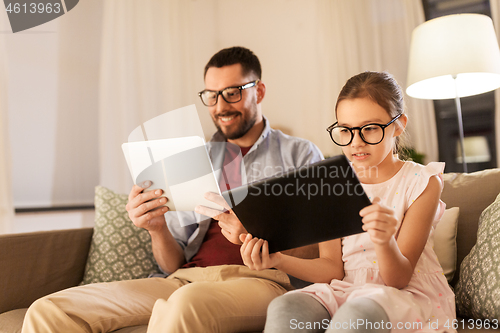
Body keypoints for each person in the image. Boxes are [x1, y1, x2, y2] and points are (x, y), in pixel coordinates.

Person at [21, 46, 323, 333]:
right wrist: (156, 228)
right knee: (50, 309)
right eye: (211, 96)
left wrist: (253, 232)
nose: (220, 107)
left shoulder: (299, 155)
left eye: (232, 93)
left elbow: (320, 248)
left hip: (260, 280)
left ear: (259, 91)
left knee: (185, 305)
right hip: (183, 279)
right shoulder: (192, 160)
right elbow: (172, 263)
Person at [240, 71, 456, 333]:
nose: (356, 142)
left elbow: (398, 279)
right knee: (285, 308)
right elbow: (332, 269)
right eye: (345, 130)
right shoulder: (334, 181)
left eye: (370, 129)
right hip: (347, 290)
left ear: (398, 125)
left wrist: (384, 240)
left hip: (403, 294)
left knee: (356, 315)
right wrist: (277, 259)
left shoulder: (422, 181)